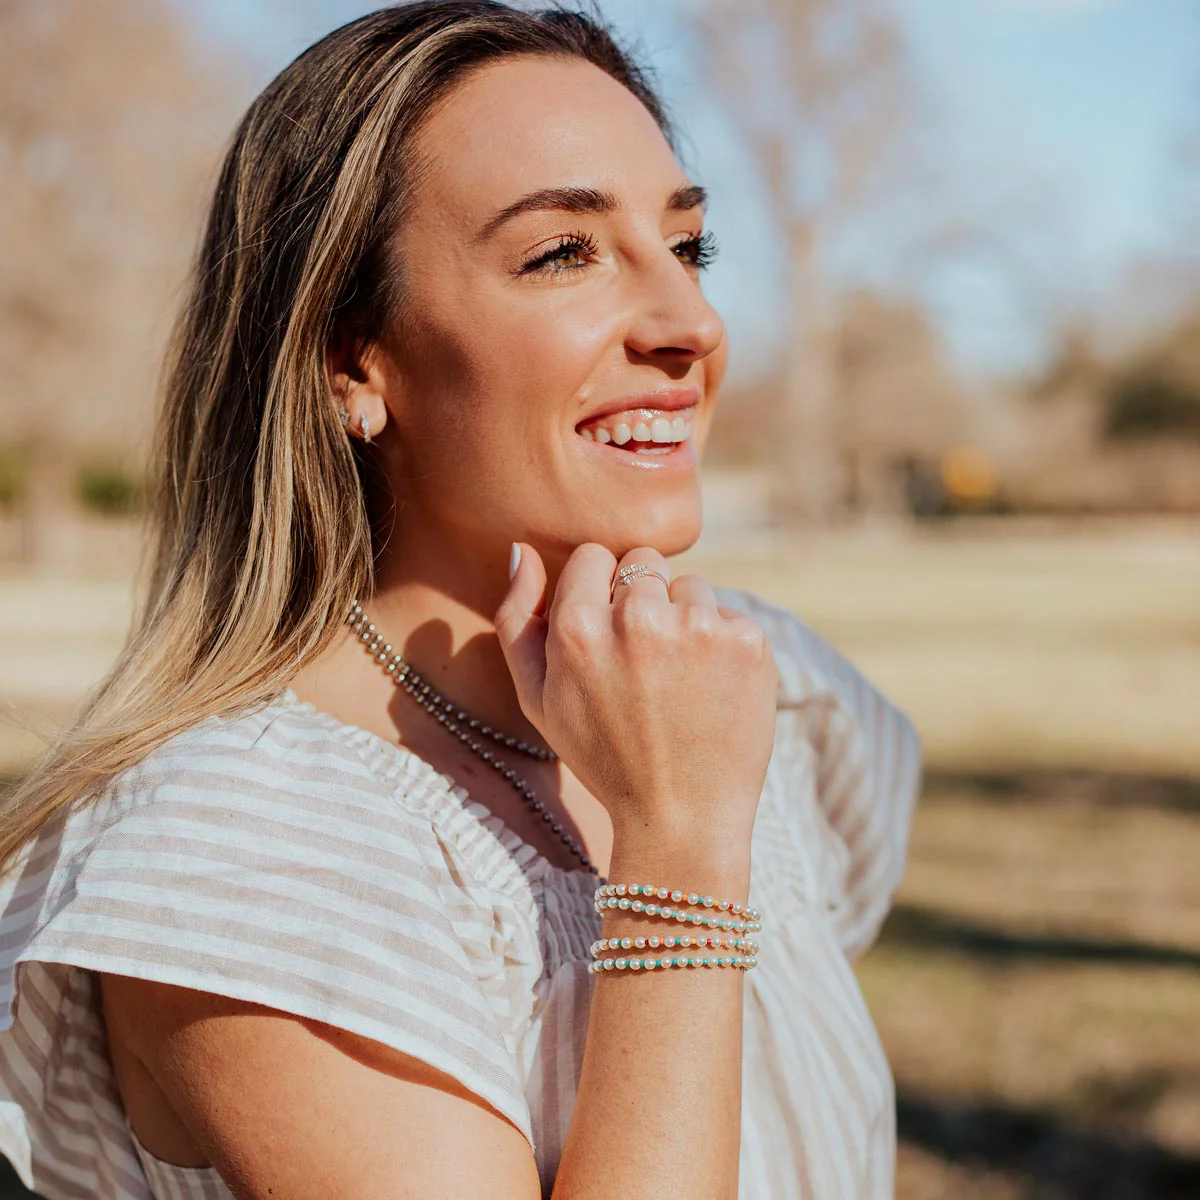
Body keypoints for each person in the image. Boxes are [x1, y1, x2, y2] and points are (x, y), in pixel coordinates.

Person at [0, 3, 921, 1197]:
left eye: (687, 247)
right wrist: (682, 855)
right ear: (351, 358)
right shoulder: (251, 852)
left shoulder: (750, 684)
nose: (691, 324)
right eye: (563, 253)